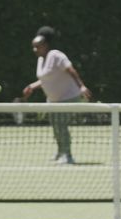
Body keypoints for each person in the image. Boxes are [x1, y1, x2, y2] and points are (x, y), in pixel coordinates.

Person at [21, 26, 92, 165]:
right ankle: (61, 151)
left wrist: (82, 86)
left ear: (46, 45)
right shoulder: (41, 60)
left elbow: (71, 70)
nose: (35, 50)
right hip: (53, 100)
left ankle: (68, 156)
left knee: (61, 124)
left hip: (69, 97)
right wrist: (32, 87)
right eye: (34, 47)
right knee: (55, 125)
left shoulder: (56, 55)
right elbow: (45, 79)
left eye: (38, 47)